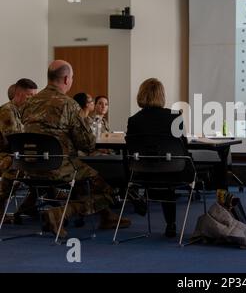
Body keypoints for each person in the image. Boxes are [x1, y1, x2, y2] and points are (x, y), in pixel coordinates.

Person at [18, 60, 130, 237]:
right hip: (59, 167)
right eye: (71, 78)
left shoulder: (28, 103)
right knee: (108, 188)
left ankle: (107, 217)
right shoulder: (69, 105)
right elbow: (87, 144)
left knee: (81, 176)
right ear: (65, 79)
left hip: (28, 166)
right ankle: (61, 213)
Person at [126, 78, 185, 238]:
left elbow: (130, 147)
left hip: (141, 172)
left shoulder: (134, 120)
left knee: (157, 174)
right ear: (162, 95)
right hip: (173, 171)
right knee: (168, 178)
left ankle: (133, 191)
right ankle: (171, 225)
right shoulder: (174, 116)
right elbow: (182, 147)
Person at [0, 78, 38, 221]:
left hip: (15, 153)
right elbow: (14, 141)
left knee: (45, 167)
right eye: (30, 96)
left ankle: (29, 205)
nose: (33, 100)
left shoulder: (21, 111)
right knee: (18, 165)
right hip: (5, 155)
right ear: (20, 94)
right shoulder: (7, 111)